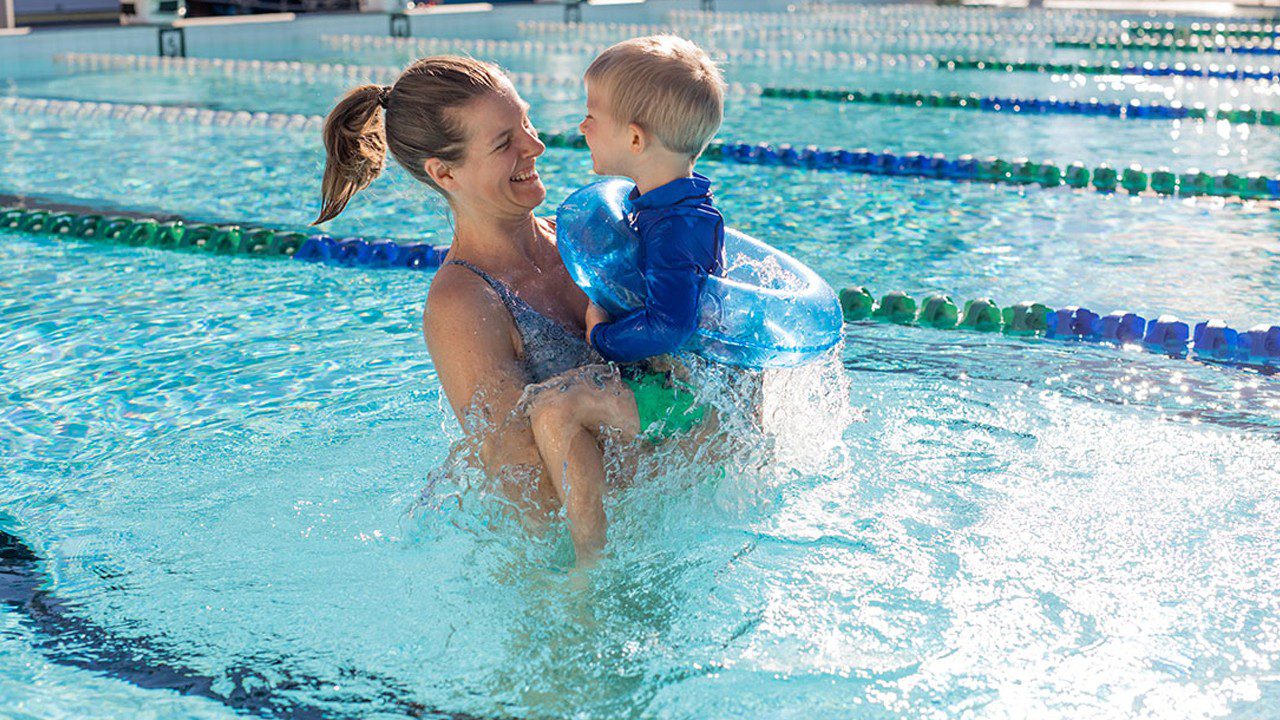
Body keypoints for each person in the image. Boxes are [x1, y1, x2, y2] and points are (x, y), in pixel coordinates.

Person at [313, 56, 623, 530]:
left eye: (526, 121)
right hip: (563, 571)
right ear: (445, 175)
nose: (535, 145)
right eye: (505, 142)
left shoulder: (584, 239)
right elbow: (532, 497)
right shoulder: (464, 303)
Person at [518, 35, 728, 564]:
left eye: (592, 114)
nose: (583, 126)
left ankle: (592, 558)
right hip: (677, 388)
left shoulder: (675, 230)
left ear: (635, 139)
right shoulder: (666, 207)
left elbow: (673, 326)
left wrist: (600, 336)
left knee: (552, 409)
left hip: (688, 401)